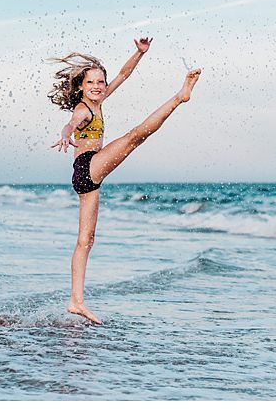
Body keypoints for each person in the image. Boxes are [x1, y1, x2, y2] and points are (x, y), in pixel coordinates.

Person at [49, 38, 201, 324]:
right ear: (81, 86)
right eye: (91, 82)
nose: (97, 86)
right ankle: (180, 96)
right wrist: (66, 132)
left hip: (87, 177)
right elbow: (72, 120)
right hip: (87, 166)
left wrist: (139, 53)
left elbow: (124, 74)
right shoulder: (84, 108)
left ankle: (75, 301)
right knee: (135, 137)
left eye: (100, 82)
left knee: (86, 240)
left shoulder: (101, 99)